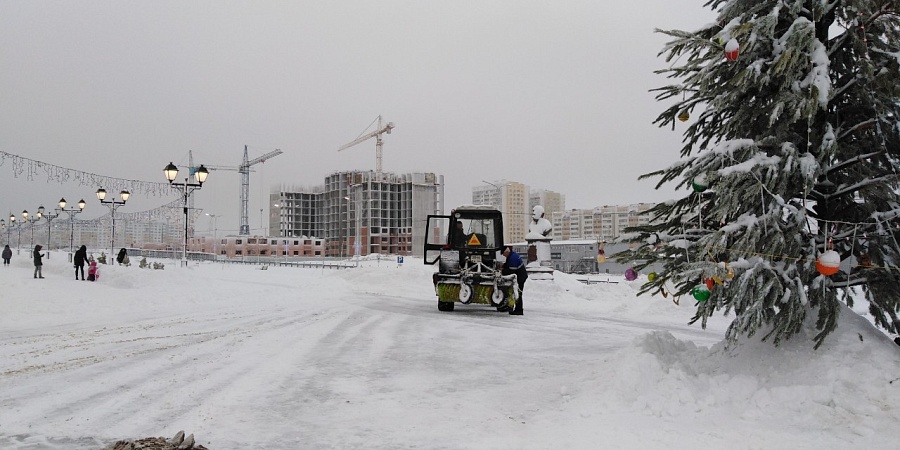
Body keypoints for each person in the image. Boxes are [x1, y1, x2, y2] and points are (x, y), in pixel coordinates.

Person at [498, 246, 527, 315]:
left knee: (518, 293)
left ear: (507, 252)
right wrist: (504, 266)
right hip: (520, 276)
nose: (503, 255)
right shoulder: (512, 255)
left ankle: (519, 310)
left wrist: (502, 270)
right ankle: (514, 307)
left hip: (520, 278)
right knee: (515, 292)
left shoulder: (513, 258)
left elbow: (511, 270)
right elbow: (508, 265)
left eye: (504, 254)